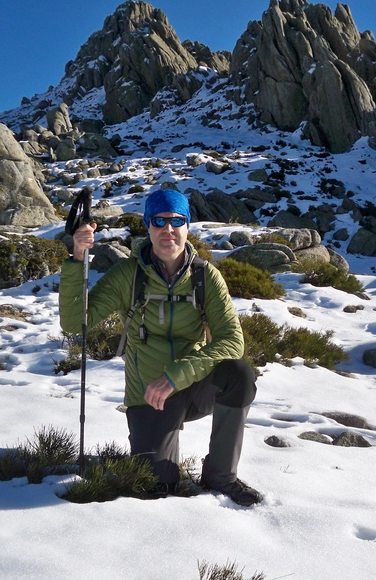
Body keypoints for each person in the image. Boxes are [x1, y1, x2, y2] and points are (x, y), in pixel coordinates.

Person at [59, 189, 263, 506]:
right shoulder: (129, 275)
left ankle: (221, 477)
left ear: (187, 226)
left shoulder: (205, 276)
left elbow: (232, 341)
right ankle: (161, 454)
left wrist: (175, 376)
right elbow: (76, 322)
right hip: (147, 396)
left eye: (176, 220)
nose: (168, 229)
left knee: (239, 374)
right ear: (148, 226)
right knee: (156, 487)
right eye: (159, 221)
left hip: (193, 387)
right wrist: (77, 257)